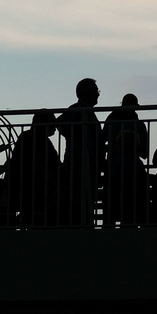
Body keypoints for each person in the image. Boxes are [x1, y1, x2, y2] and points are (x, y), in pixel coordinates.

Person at [0, 110, 64, 227]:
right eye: (52, 122)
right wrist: (58, 182)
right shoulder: (36, 139)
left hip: (27, 186)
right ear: (45, 124)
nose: (55, 126)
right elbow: (39, 166)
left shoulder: (29, 137)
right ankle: (38, 220)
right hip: (31, 187)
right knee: (62, 194)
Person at [57, 78, 103, 226]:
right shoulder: (78, 110)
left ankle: (84, 223)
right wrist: (77, 138)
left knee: (83, 198)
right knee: (78, 198)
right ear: (87, 93)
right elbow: (60, 124)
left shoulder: (85, 111)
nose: (98, 95)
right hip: (79, 163)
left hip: (85, 162)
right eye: (96, 91)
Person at [103, 93, 150, 227]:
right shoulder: (139, 125)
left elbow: (102, 140)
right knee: (132, 208)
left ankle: (107, 233)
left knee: (110, 207)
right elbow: (145, 153)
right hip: (132, 173)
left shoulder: (111, 120)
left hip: (112, 171)